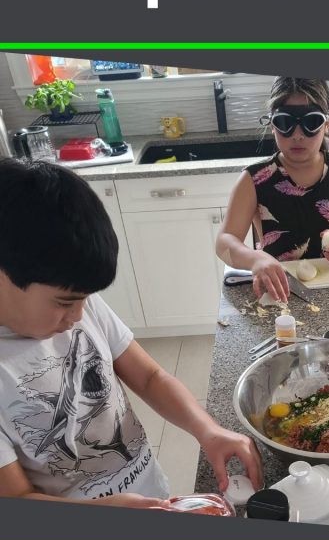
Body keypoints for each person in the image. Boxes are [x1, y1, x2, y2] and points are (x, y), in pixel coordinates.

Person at [0, 159, 262, 508]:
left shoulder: (80, 305)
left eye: (84, 300)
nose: (77, 316)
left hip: (148, 493)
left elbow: (151, 378)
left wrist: (207, 430)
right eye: (64, 303)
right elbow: (16, 498)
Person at [216, 77, 329, 302]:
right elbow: (224, 241)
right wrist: (255, 259)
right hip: (282, 295)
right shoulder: (254, 179)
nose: (297, 134)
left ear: (326, 123)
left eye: (310, 122)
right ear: (272, 124)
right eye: (285, 123)